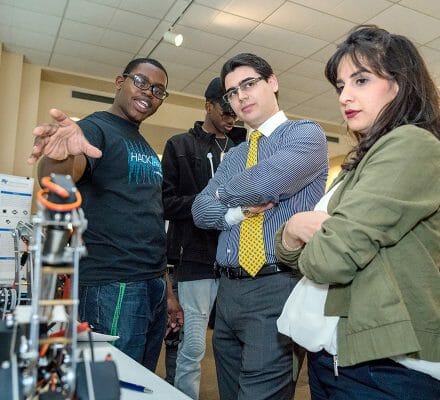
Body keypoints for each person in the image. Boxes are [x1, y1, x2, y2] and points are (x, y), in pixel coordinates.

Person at [276, 25, 440, 399]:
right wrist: (294, 227)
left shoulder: (411, 144)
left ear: (400, 85)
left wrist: (306, 234)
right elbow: (291, 252)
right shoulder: (363, 159)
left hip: (385, 366)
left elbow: (330, 259)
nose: (345, 96)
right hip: (340, 356)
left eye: (361, 80)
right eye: (341, 86)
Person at [27, 58, 183, 372]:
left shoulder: (143, 144)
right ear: (120, 82)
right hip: (113, 284)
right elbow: (59, 176)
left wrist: (167, 291)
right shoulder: (95, 129)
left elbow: (151, 220)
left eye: (158, 90)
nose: (149, 92)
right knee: (111, 381)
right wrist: (59, 157)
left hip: (151, 282)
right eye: (141, 82)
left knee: (140, 380)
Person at [191, 53, 328, 400]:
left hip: (277, 286)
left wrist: (220, 192)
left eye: (249, 84)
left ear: (273, 82)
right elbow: (199, 211)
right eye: (232, 92)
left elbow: (264, 183)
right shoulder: (236, 154)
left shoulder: (305, 134)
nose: (241, 97)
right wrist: (236, 213)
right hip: (228, 292)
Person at [161, 77, 245, 399]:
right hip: (195, 259)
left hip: (236, 261)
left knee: (232, 347)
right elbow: (165, 202)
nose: (232, 116)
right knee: (192, 347)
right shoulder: (180, 146)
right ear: (208, 105)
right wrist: (206, 205)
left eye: (236, 110)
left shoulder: (243, 149)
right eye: (225, 109)